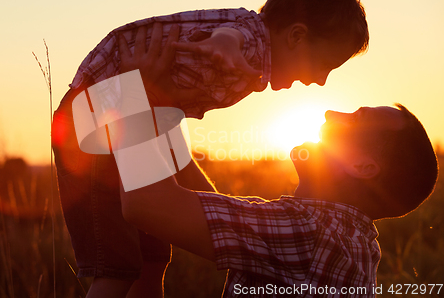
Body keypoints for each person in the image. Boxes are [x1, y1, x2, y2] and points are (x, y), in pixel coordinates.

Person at [52, 0, 369, 297]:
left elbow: (166, 126)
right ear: (296, 37)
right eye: (325, 65)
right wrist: (223, 45)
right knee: (116, 268)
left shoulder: (252, 57)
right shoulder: (247, 47)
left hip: (125, 117)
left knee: (153, 258)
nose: (320, 81)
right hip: (92, 116)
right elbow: (232, 36)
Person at [117, 33, 439, 297]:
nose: (330, 115)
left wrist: (132, 93)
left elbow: (147, 204)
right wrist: (162, 108)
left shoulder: (309, 231)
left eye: (356, 119)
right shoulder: (351, 239)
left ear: (363, 167)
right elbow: (205, 206)